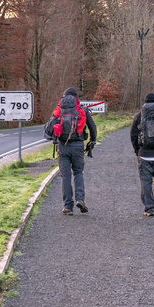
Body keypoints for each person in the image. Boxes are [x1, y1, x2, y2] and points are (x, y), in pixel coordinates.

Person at [54, 87, 97, 215]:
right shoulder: (82, 110)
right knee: (78, 173)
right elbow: (92, 127)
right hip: (78, 145)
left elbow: (50, 127)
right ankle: (80, 199)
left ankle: (68, 206)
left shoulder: (59, 110)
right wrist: (92, 140)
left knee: (65, 176)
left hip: (63, 146)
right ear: (76, 98)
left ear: (65, 97)